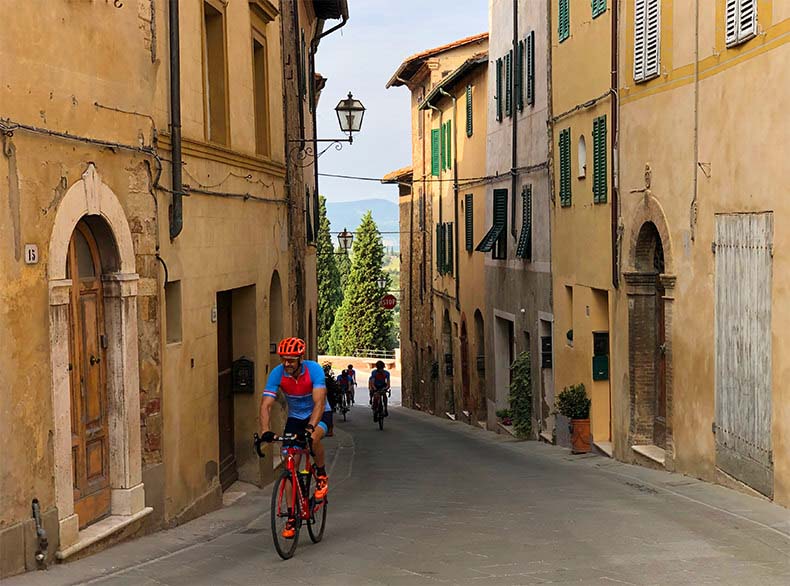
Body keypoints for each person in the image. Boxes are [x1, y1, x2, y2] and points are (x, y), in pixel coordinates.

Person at [259, 337, 331, 538]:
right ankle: (292, 517)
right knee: (290, 465)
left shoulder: (314, 370)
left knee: (313, 438)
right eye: (283, 359)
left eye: (290, 360)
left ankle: (322, 476)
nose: (286, 364)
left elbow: (318, 403)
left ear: (300, 359)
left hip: (319, 414)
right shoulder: (278, 373)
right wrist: (265, 430)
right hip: (295, 418)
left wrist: (310, 428)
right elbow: (266, 404)